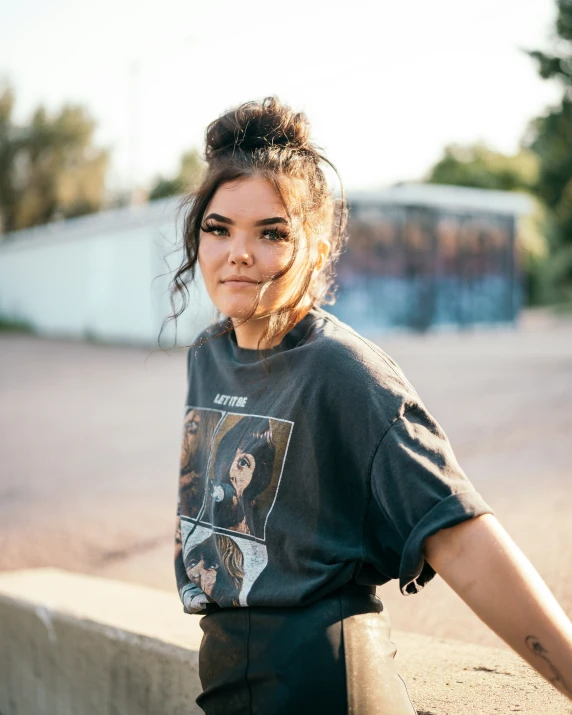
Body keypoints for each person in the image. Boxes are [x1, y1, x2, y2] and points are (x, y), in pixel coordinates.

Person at [168, 97, 572, 714]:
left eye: (271, 232)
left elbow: (459, 534)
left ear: (316, 245)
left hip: (330, 689)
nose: (237, 253)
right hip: (231, 686)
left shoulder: (344, 370)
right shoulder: (208, 356)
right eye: (218, 228)